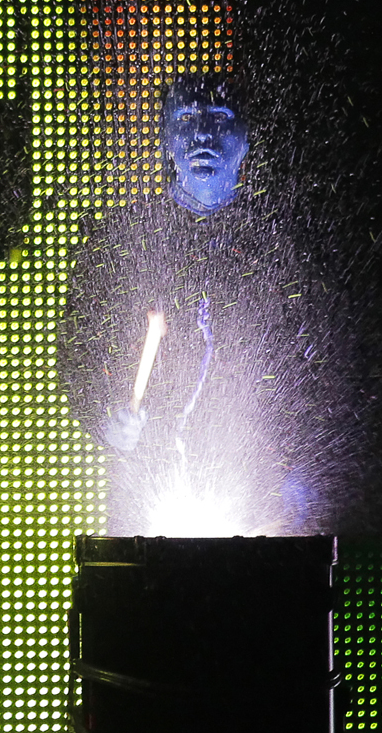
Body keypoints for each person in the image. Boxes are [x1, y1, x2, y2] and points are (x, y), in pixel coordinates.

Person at [59, 72, 371, 536]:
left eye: (220, 118)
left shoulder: (289, 246)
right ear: (166, 139)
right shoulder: (119, 239)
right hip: (145, 507)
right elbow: (78, 354)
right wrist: (105, 416)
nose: (203, 134)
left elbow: (332, 367)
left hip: (262, 504)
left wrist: (293, 467)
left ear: (246, 139)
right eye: (186, 119)